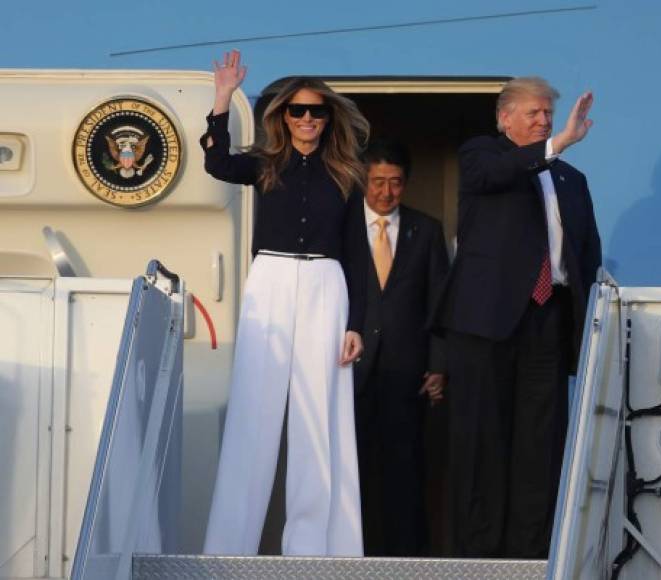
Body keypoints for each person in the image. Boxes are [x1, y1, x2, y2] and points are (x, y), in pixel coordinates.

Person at [200, 50, 369, 557]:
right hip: (269, 280)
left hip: (326, 282)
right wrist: (223, 97)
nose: (307, 119)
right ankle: (229, 546)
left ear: (328, 118)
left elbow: (358, 253)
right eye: (298, 110)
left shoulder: (346, 173)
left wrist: (356, 323)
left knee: (322, 415)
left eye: (317, 111)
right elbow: (216, 161)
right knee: (253, 409)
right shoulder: (265, 164)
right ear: (284, 116)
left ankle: (317, 548)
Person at [432, 77, 601, 558]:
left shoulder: (572, 181)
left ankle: (531, 557)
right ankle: (477, 558)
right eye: (534, 113)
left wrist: (586, 325)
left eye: (549, 114)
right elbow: (498, 175)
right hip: (485, 324)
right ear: (504, 118)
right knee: (482, 441)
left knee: (540, 446)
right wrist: (557, 143)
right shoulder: (481, 156)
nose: (544, 121)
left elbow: (585, 254)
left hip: (546, 322)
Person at [346, 139, 449, 556]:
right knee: (354, 471)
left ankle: (408, 559)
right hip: (349, 371)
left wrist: (439, 365)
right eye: (377, 182)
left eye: (395, 183)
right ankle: (355, 556)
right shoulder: (342, 227)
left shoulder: (426, 230)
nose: (385, 192)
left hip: (408, 375)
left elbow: (440, 305)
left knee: (406, 473)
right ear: (362, 181)